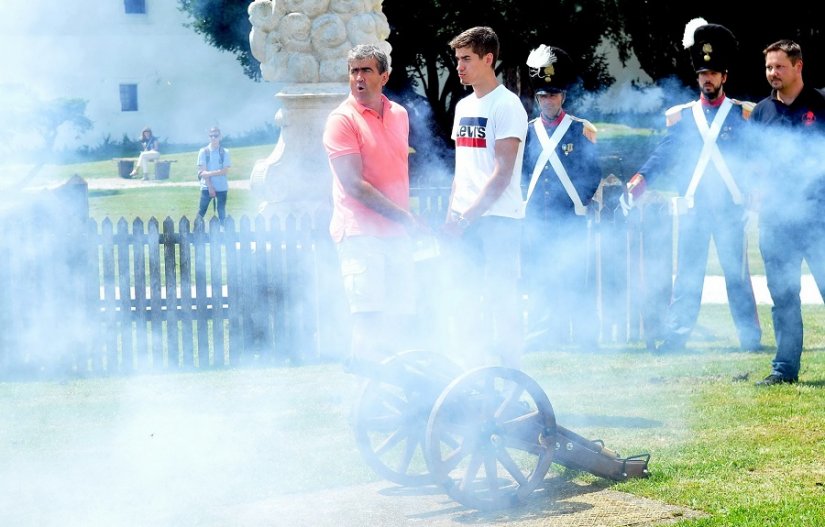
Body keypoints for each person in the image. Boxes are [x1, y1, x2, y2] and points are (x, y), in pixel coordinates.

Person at [625, 19, 761, 353]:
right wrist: (642, 176)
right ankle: (677, 334)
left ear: (724, 76)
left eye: (713, 73)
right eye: (702, 74)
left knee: (738, 277)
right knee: (687, 276)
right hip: (693, 208)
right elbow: (665, 152)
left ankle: (750, 338)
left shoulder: (742, 114)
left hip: (730, 208)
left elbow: (756, 156)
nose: (707, 79)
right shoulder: (682, 117)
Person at [322, 44, 425, 369]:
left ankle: (394, 404)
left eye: (366, 70)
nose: (358, 78)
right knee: (369, 318)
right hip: (359, 234)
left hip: (396, 234)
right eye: (354, 71)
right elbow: (354, 185)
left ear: (384, 76)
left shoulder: (399, 114)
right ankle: (362, 410)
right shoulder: (341, 120)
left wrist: (403, 220)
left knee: (400, 319)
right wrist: (405, 217)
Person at [443, 26, 528, 369]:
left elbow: (501, 174)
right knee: (464, 300)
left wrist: (467, 217)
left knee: (501, 302)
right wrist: (453, 215)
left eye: (466, 59)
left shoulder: (508, 106)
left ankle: (512, 378)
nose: (459, 67)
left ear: (488, 59)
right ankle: (473, 373)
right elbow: (463, 170)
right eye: (457, 59)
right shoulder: (463, 106)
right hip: (466, 221)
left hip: (499, 221)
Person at [750, 40, 825, 386]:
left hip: (818, 220)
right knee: (783, 297)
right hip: (776, 223)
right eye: (768, 67)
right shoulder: (762, 112)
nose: (772, 73)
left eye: (779, 66)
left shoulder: (821, 106)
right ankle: (784, 368)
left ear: (798, 67)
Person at [521, 45, 602, 350]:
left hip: (569, 217)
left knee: (575, 279)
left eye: (553, 94)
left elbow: (592, 173)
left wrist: (578, 204)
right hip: (538, 219)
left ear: (563, 96)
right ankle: (545, 337)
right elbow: (524, 174)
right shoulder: (528, 132)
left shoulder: (580, 131)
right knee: (541, 280)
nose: (548, 100)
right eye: (543, 95)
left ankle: (584, 339)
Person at [196, 127, 231, 222]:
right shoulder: (203, 151)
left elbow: (225, 171)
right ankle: (195, 233)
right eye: (211, 136)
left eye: (216, 136)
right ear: (209, 137)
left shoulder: (225, 152)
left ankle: (223, 234)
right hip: (206, 187)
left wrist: (209, 173)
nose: (213, 138)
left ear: (220, 137)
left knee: (222, 213)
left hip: (221, 187)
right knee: (201, 212)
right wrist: (210, 187)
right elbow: (203, 172)